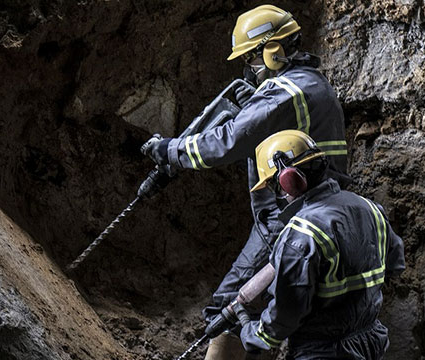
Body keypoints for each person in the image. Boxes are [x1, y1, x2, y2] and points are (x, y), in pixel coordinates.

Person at [140, 5, 351, 358]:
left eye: (252, 58)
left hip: (290, 221)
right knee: (260, 312)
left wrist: (169, 150)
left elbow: (227, 142)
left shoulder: (285, 91)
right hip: (313, 214)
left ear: (273, 50)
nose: (249, 68)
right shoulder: (312, 84)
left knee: (230, 311)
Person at [233, 130, 405, 359]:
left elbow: (285, 315)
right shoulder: (370, 208)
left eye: (276, 187)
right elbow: (394, 265)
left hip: (323, 352)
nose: (279, 195)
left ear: (289, 180)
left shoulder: (300, 235)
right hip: (370, 341)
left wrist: (254, 333)